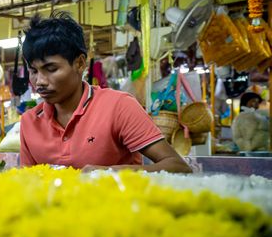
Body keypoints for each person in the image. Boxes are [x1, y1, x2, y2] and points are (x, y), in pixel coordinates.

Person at [18, 12, 191, 173]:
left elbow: (178, 167)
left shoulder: (118, 107)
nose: (39, 81)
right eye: (33, 71)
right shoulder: (29, 122)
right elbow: (28, 184)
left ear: (79, 63)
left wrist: (110, 173)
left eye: (51, 69)